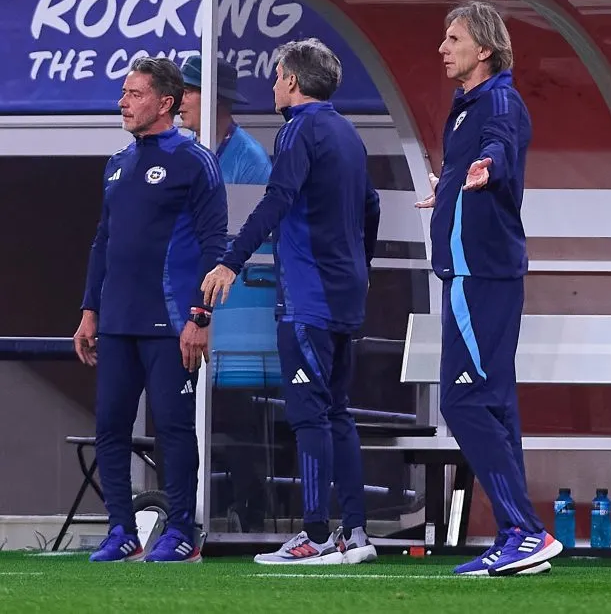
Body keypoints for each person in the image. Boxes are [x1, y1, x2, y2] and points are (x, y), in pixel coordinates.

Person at [200, 38, 381, 566]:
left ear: (294, 82)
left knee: (309, 418)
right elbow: (370, 208)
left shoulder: (298, 130)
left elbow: (275, 201)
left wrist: (230, 262)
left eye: (278, 77)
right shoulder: (348, 134)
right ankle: (356, 533)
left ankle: (317, 535)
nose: (274, 85)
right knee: (338, 414)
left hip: (309, 299)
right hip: (345, 297)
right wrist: (359, 267)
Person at [414, 1, 562, 577]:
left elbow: (500, 144)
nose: (443, 48)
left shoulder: (498, 99)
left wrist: (487, 168)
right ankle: (516, 536)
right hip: (474, 272)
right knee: (495, 406)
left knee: (462, 400)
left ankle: (524, 531)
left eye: (453, 39)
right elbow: (477, 159)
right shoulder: (465, 105)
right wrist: (449, 186)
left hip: (479, 275)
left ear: (484, 49)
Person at [73, 56, 228, 563]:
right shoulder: (116, 163)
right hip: (117, 321)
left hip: (171, 322)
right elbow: (102, 241)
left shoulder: (193, 160)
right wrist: (89, 311)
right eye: (123, 93)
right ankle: (122, 530)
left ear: (166, 102)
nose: (123, 103)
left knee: (174, 428)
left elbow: (213, 246)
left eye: (135, 94)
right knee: (110, 427)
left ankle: (182, 531)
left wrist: (200, 318)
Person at [179, 53, 274, 533]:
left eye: (189, 93)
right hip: (195, 312)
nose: (179, 104)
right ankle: (188, 514)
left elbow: (240, 247)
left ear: (214, 99)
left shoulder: (249, 161)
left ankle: (244, 515)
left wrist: (211, 314)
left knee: (236, 428)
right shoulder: (183, 151)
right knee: (183, 417)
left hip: (238, 327)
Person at [178, 54, 272, 185]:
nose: (179, 101)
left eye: (186, 92)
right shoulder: (182, 151)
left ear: (214, 98)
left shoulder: (251, 159)